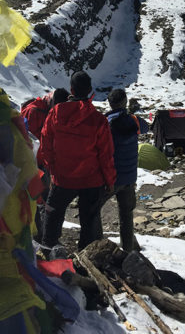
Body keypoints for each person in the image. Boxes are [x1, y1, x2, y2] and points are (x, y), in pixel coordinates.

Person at [36, 74, 113, 258]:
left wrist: (53, 169)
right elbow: (106, 156)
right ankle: (84, 260)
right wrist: (109, 180)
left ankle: (48, 253)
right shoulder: (98, 120)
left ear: (71, 90)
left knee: (53, 216)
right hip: (91, 180)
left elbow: (45, 144)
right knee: (89, 222)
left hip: (62, 178)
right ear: (90, 91)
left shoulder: (55, 113)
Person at [106, 88, 149, 254]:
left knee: (93, 209)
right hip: (130, 176)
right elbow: (146, 127)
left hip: (112, 176)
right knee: (126, 214)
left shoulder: (106, 122)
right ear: (125, 101)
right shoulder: (134, 120)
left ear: (110, 103)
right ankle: (128, 250)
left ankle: (97, 243)